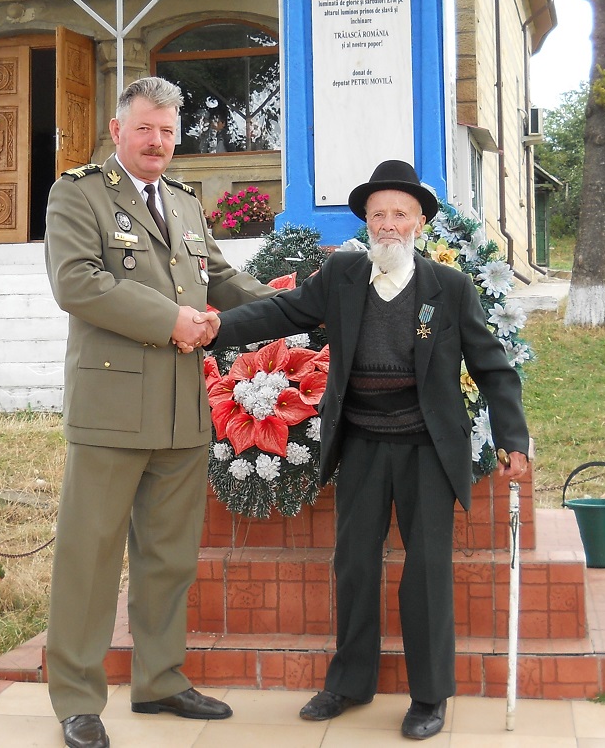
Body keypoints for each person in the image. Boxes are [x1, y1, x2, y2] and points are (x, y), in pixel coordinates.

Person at [212, 159, 531, 740]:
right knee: (355, 563)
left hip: (427, 447)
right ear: (365, 221)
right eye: (378, 214)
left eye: (399, 214)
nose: (388, 225)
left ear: (419, 223)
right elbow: (281, 312)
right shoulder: (342, 278)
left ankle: (429, 696)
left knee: (427, 570)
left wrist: (513, 438)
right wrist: (214, 328)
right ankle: (350, 683)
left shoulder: (449, 287)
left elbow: (493, 367)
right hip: (361, 440)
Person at [42, 76, 275, 748]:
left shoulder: (183, 203)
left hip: (180, 410)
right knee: (89, 558)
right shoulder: (78, 193)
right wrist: (172, 319)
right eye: (146, 128)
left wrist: (293, 306)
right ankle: (78, 699)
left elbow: (221, 280)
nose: (158, 142)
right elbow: (77, 282)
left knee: (168, 557)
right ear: (118, 131)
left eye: (169, 131)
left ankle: (161, 679)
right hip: (112, 407)